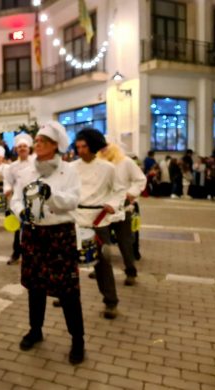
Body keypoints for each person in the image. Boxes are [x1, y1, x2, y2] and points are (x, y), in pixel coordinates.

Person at [11, 121, 84, 364]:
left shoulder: (69, 170)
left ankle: (78, 339)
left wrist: (51, 196)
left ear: (55, 145)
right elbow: (17, 200)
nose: (37, 144)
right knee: (35, 286)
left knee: (68, 290)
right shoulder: (27, 171)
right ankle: (35, 330)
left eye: (42, 141)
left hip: (60, 234)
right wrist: (22, 213)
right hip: (34, 234)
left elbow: (73, 200)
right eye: (37, 140)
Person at [73, 129, 125, 319]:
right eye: (77, 146)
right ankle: (67, 296)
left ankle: (111, 302)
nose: (80, 150)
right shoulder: (71, 168)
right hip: (76, 219)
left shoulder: (108, 168)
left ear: (93, 146)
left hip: (98, 220)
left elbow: (119, 190)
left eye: (84, 146)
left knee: (102, 264)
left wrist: (112, 205)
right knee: (70, 263)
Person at [98, 144, 147, 285]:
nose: (103, 151)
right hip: (103, 209)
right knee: (102, 245)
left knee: (125, 242)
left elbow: (140, 179)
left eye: (105, 147)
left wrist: (131, 193)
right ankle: (101, 271)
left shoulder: (126, 162)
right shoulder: (98, 164)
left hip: (122, 208)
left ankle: (130, 272)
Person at [4, 133, 33, 265]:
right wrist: (7, 189)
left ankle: (31, 254)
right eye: (19, 147)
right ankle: (16, 253)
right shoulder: (12, 166)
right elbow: (8, 182)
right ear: (16, 150)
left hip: (34, 200)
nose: (22, 149)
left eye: (24, 146)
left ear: (29, 149)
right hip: (18, 200)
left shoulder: (36, 163)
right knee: (17, 228)